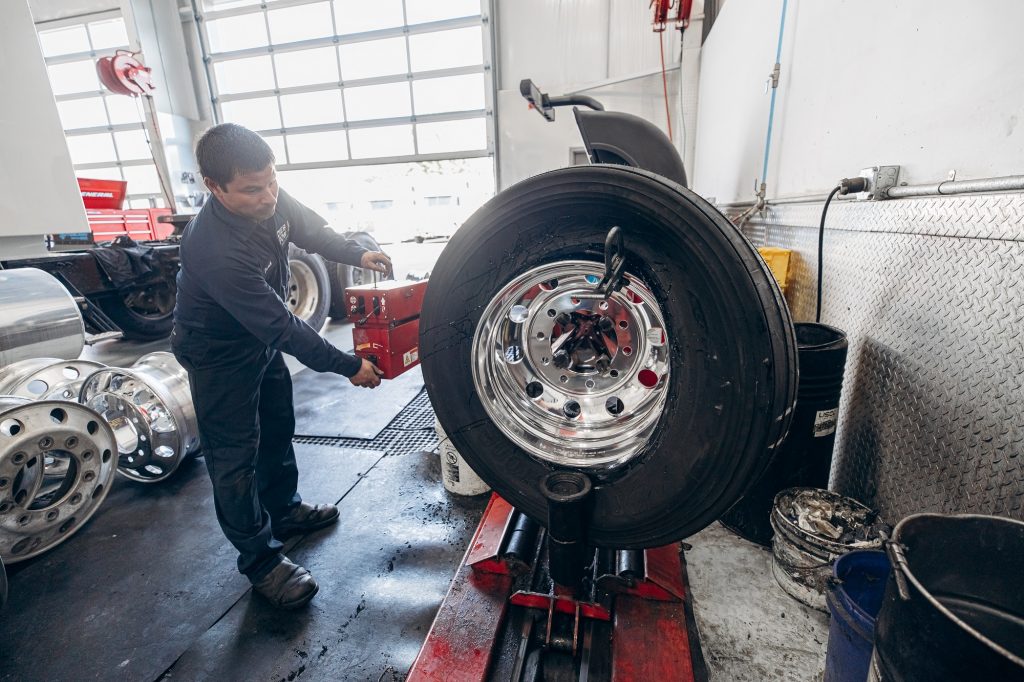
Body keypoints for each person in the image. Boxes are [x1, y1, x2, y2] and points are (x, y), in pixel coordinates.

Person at [171, 123, 392, 609]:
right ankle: (261, 561)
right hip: (218, 353)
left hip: (257, 340)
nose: (268, 195)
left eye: (271, 180)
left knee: (277, 426)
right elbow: (284, 328)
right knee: (233, 458)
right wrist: (347, 365)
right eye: (253, 189)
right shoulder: (214, 248)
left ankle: (285, 511)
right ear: (214, 187)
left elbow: (314, 231)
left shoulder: (271, 196)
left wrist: (359, 252)